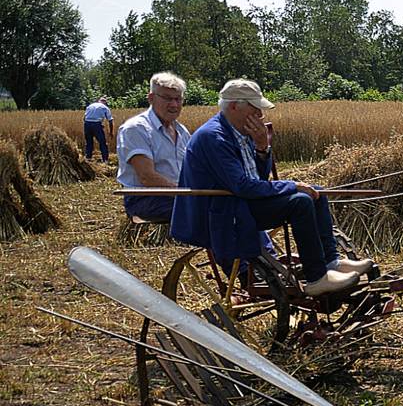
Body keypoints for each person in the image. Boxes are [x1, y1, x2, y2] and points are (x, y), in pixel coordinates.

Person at [171, 79, 373, 296]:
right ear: (232, 106)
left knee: (316, 192)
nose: (260, 113)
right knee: (301, 202)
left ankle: (331, 262)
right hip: (225, 211)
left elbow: (256, 177)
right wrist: (292, 185)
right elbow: (242, 186)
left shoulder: (241, 132)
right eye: (254, 107)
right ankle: (316, 279)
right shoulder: (214, 137)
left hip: (242, 202)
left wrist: (261, 147)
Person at [116, 72, 191, 222]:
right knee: (204, 210)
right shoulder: (136, 129)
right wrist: (186, 193)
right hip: (145, 200)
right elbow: (147, 178)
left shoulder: (182, 132)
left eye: (178, 99)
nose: (174, 105)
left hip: (177, 196)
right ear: (151, 98)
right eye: (167, 98)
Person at [83, 96, 114, 162]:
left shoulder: (90, 106)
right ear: (105, 103)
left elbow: (84, 118)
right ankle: (105, 160)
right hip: (96, 125)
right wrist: (111, 132)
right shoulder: (105, 108)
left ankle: (88, 159)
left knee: (89, 142)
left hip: (87, 124)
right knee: (102, 142)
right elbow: (110, 121)